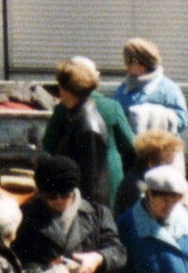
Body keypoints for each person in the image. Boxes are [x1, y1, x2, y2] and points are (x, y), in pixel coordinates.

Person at [14, 155, 125, 273]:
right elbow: (20, 260)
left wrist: (97, 259)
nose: (59, 201)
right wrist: (48, 271)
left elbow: (118, 251)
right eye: (51, 196)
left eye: (65, 195)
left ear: (74, 191)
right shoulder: (26, 217)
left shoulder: (98, 214)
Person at [41, 57, 134, 209]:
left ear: (72, 89)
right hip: (109, 181)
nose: (60, 93)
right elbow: (129, 145)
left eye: (62, 88)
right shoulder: (109, 107)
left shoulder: (85, 124)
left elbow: (91, 180)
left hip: (90, 199)